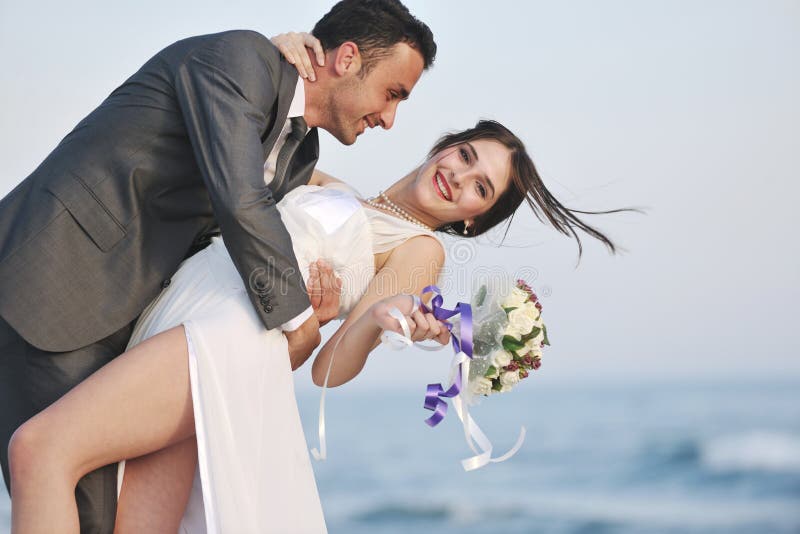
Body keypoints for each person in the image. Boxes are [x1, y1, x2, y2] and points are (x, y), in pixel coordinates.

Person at [8, 114, 623, 532]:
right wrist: (281, 53)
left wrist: (379, 319)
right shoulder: (333, 186)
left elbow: (328, 367)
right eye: (465, 155)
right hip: (173, 326)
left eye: (479, 189)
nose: (459, 176)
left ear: (471, 220)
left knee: (39, 450)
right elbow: (244, 155)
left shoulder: (420, 251)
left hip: (219, 348)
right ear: (444, 144)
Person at [0, 1, 436, 531]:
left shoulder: (301, 154)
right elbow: (240, 201)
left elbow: (227, 237)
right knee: (54, 467)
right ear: (346, 59)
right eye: (392, 94)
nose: (389, 119)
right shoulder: (242, 58)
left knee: (100, 506)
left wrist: (320, 309)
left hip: (133, 315)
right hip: (59, 278)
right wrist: (297, 323)